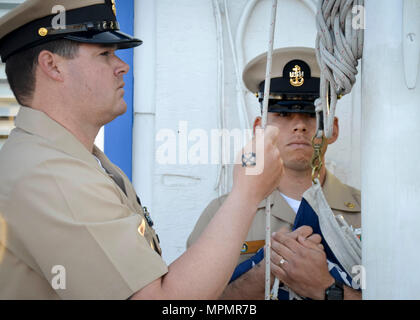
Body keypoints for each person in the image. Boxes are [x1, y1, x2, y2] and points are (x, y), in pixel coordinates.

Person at [0, 0, 285, 299]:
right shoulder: (50, 175)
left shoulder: (69, 159)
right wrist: (246, 194)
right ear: (52, 66)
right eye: (105, 54)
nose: (122, 66)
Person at [187, 47, 362, 300]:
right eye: (283, 114)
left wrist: (329, 290)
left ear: (333, 128)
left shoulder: (371, 216)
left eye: (311, 114)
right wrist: (261, 274)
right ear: (260, 128)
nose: (299, 125)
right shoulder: (222, 214)